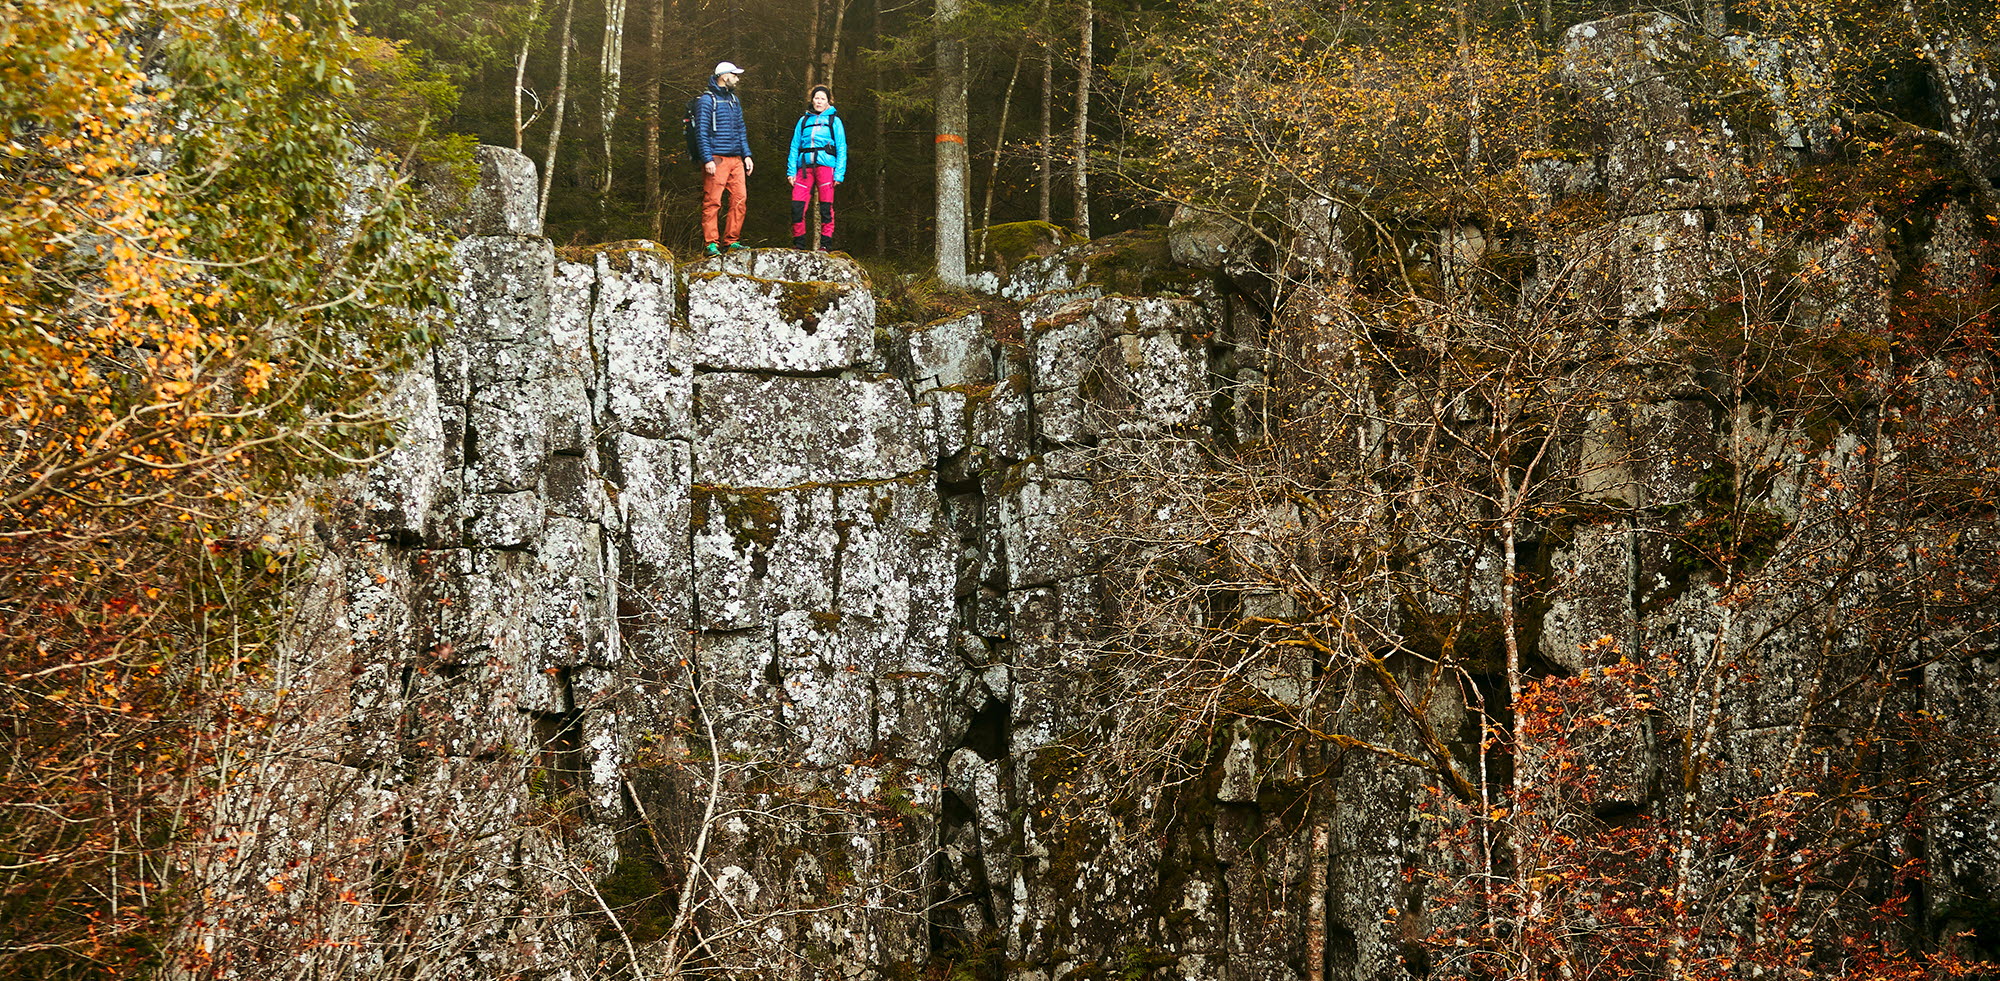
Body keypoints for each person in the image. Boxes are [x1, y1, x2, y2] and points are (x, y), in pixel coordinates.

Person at [695, 61, 754, 256]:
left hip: (736, 158)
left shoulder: (734, 100)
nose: (737, 79)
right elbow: (701, 132)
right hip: (716, 158)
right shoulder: (706, 100)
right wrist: (707, 159)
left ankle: (731, 241)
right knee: (713, 201)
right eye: (734, 75)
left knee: (740, 199)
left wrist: (747, 155)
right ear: (724, 76)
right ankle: (711, 243)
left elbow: (741, 129)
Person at [787, 85, 847, 252]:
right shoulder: (803, 121)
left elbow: (841, 147)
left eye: (822, 98)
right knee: (797, 206)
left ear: (828, 101)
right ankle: (799, 244)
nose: (819, 101)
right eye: (816, 98)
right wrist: (791, 171)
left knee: (826, 207)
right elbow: (794, 146)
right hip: (804, 168)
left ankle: (825, 244)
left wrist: (839, 174)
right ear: (812, 99)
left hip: (826, 167)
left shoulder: (834, 121)